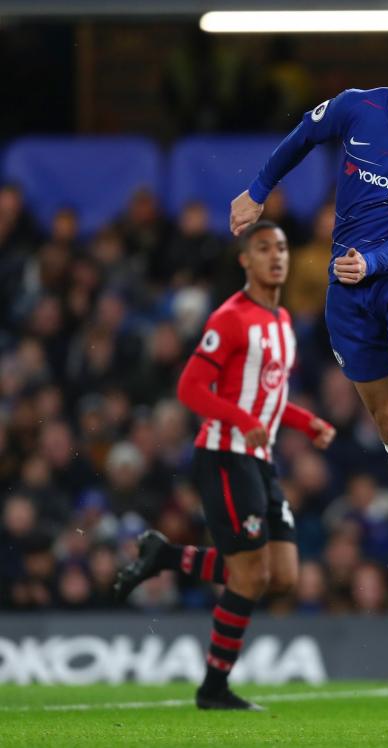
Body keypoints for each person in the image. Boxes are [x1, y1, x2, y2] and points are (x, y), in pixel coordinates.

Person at [228, 31, 388, 607]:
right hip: (348, 291)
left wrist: (372, 261)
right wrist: (258, 190)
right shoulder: (357, 106)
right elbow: (302, 136)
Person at [114, 221, 336, 710]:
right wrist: (240, 421)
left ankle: (167, 556)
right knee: (250, 575)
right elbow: (190, 387)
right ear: (245, 260)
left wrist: (305, 422)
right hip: (225, 455)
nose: (276, 256)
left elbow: (269, 398)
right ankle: (213, 688)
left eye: (281, 248)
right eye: (263, 249)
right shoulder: (230, 318)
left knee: (282, 575)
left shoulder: (281, 321)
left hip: (259, 458)